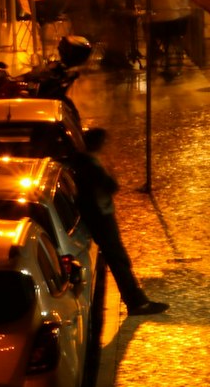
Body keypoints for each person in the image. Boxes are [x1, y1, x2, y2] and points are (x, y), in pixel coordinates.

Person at [69, 128, 168, 317]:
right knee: (118, 259)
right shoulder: (91, 165)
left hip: (100, 216)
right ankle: (136, 302)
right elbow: (111, 186)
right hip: (101, 217)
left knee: (118, 259)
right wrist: (110, 172)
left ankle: (136, 300)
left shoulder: (83, 162)